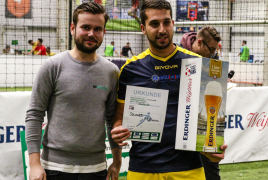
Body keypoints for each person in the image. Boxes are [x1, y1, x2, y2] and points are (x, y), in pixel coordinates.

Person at [111, 1, 227, 180]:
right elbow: (119, 118)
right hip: (142, 168)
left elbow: (208, 119)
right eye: (154, 24)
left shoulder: (199, 65)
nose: (162, 29)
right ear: (143, 28)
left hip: (188, 168)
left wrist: (213, 150)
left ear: (173, 23)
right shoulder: (131, 68)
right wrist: (118, 130)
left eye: (166, 22)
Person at [25, 2, 121, 180]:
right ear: (72, 28)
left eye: (98, 29)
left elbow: (112, 119)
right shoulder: (52, 66)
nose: (91, 34)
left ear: (103, 32)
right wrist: (34, 164)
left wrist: (116, 162)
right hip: (54, 169)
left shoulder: (111, 71)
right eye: (85, 27)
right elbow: (34, 115)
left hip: (96, 169)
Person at [180, 26, 223, 180]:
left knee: (211, 168)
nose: (213, 53)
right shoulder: (177, 55)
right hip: (180, 123)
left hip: (205, 122)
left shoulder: (213, 57)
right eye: (211, 49)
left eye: (215, 50)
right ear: (199, 42)